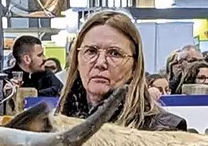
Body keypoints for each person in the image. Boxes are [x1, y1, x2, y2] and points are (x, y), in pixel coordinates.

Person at [57, 10, 186, 131]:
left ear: (135, 66)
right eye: (91, 51)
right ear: (77, 60)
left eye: (114, 53)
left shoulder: (164, 129)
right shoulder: (53, 129)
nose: (100, 63)